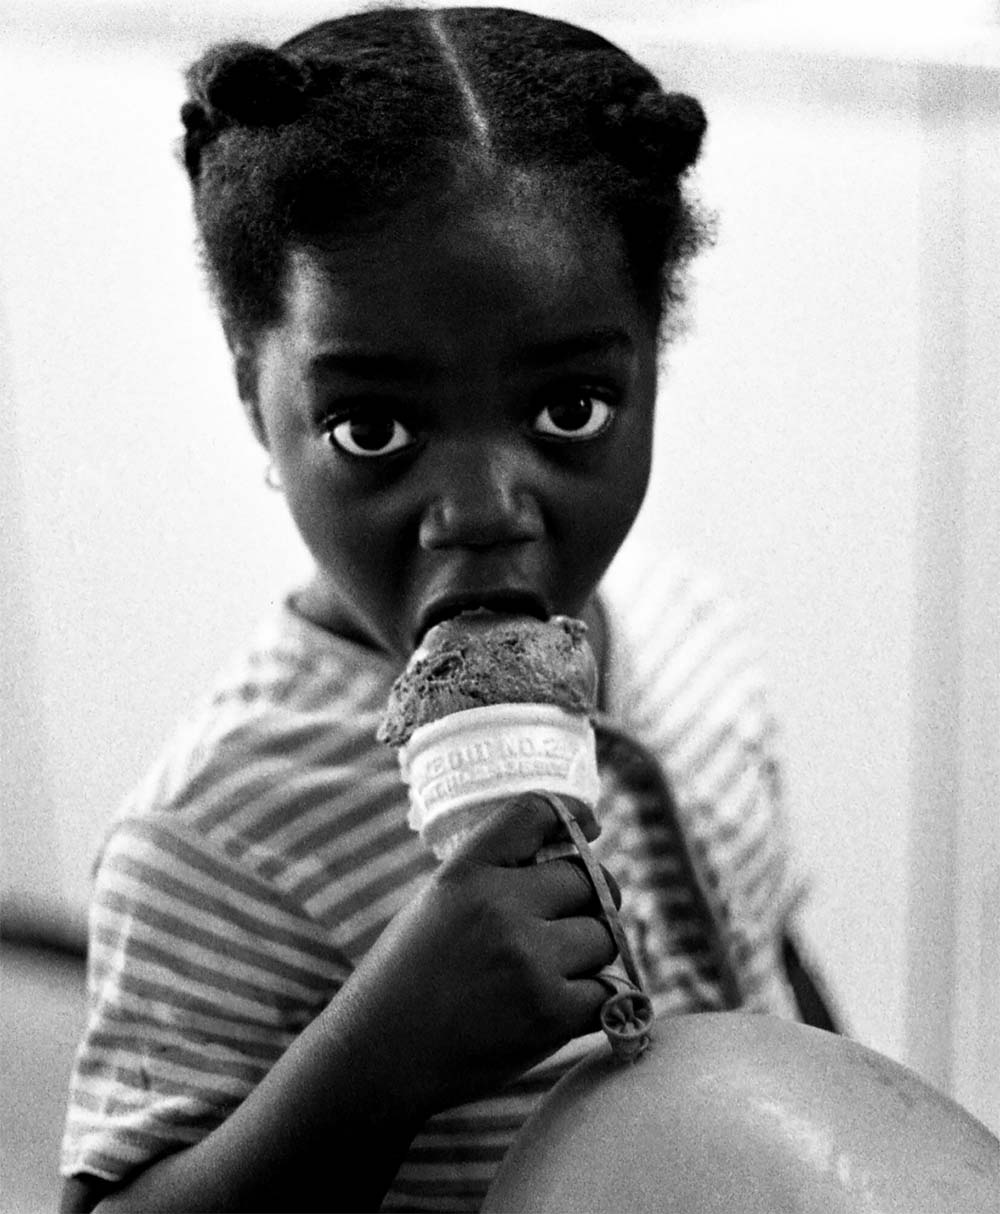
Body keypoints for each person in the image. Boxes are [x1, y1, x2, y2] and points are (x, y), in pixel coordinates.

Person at [60, 6, 834, 1211]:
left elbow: (774, 961)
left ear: (651, 365)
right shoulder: (217, 834)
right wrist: (381, 1054)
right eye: (372, 427)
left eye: (570, 408)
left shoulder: (696, 636)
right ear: (247, 390)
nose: (479, 508)